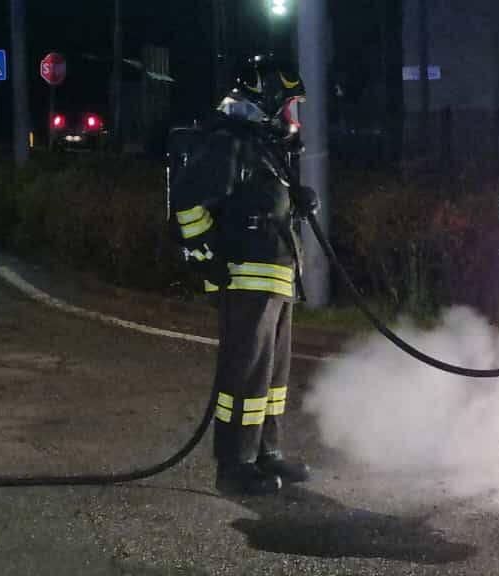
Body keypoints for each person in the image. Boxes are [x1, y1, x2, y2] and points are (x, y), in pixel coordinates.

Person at [170, 54, 318, 495]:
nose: (293, 118)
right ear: (268, 102)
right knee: (245, 377)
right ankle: (234, 465)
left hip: (275, 279)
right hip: (246, 280)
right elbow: (187, 202)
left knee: (271, 377)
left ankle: (265, 452)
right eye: (289, 106)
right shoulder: (230, 143)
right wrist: (207, 254)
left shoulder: (263, 150)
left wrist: (296, 199)